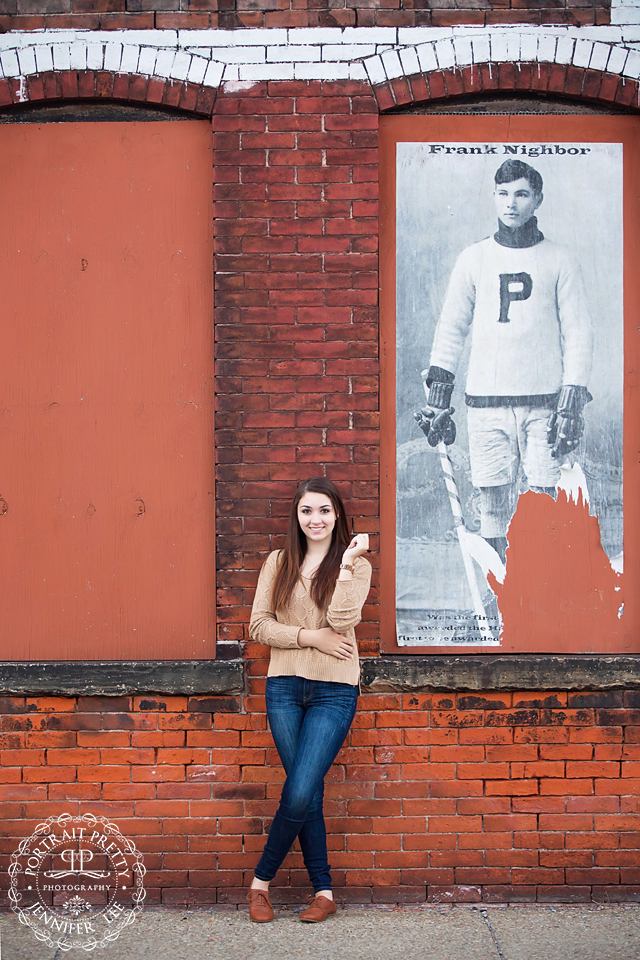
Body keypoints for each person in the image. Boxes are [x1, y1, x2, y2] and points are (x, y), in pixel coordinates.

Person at [417, 158, 593, 562]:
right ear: (494, 197)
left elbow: (579, 333)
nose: (510, 204)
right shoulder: (474, 258)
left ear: (538, 199)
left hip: (543, 401)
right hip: (486, 402)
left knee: (543, 499)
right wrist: (438, 399)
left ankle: (540, 594)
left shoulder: (559, 259)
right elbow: (451, 329)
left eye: (521, 194)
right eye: (503, 194)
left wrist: (571, 400)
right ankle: (501, 600)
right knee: (492, 500)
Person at [247, 477, 371, 924]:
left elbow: (343, 618)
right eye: (306, 511)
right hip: (283, 686)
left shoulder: (355, 564)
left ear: (337, 515)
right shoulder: (278, 562)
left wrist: (347, 565)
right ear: (296, 516)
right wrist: (310, 637)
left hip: (335, 689)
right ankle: (324, 891)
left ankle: (260, 882)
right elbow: (258, 626)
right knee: (308, 794)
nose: (314, 519)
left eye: (323, 511)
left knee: (299, 791)